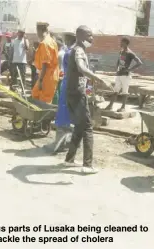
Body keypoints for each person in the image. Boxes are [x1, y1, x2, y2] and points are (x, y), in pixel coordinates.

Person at [64, 25, 112, 174]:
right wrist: (99, 79)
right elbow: (82, 69)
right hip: (77, 94)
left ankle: (69, 159)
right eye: (89, 35)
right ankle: (87, 165)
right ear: (80, 36)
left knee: (79, 126)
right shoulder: (78, 50)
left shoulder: (78, 49)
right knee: (87, 128)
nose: (92, 38)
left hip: (74, 92)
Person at [45, 32, 77, 153]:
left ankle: (57, 145)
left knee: (63, 115)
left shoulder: (68, 53)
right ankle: (68, 143)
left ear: (68, 40)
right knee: (69, 116)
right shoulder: (78, 52)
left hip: (67, 85)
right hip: (73, 87)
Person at [104, 37, 142, 112]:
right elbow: (118, 61)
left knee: (125, 92)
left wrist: (129, 69)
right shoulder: (121, 51)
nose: (120, 43)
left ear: (125, 43)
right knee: (115, 90)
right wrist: (116, 68)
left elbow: (139, 63)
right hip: (119, 74)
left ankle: (123, 107)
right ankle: (110, 105)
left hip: (126, 75)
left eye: (121, 42)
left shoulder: (130, 53)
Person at [31, 22, 59, 103]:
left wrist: (40, 80)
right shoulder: (52, 41)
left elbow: (45, 64)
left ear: (39, 31)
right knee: (35, 94)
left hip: (47, 76)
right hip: (51, 75)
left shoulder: (45, 44)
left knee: (44, 101)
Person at [52, 37, 65, 105]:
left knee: (55, 91)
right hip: (62, 73)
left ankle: (55, 105)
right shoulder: (63, 52)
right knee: (60, 90)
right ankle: (60, 104)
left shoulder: (58, 54)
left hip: (57, 73)